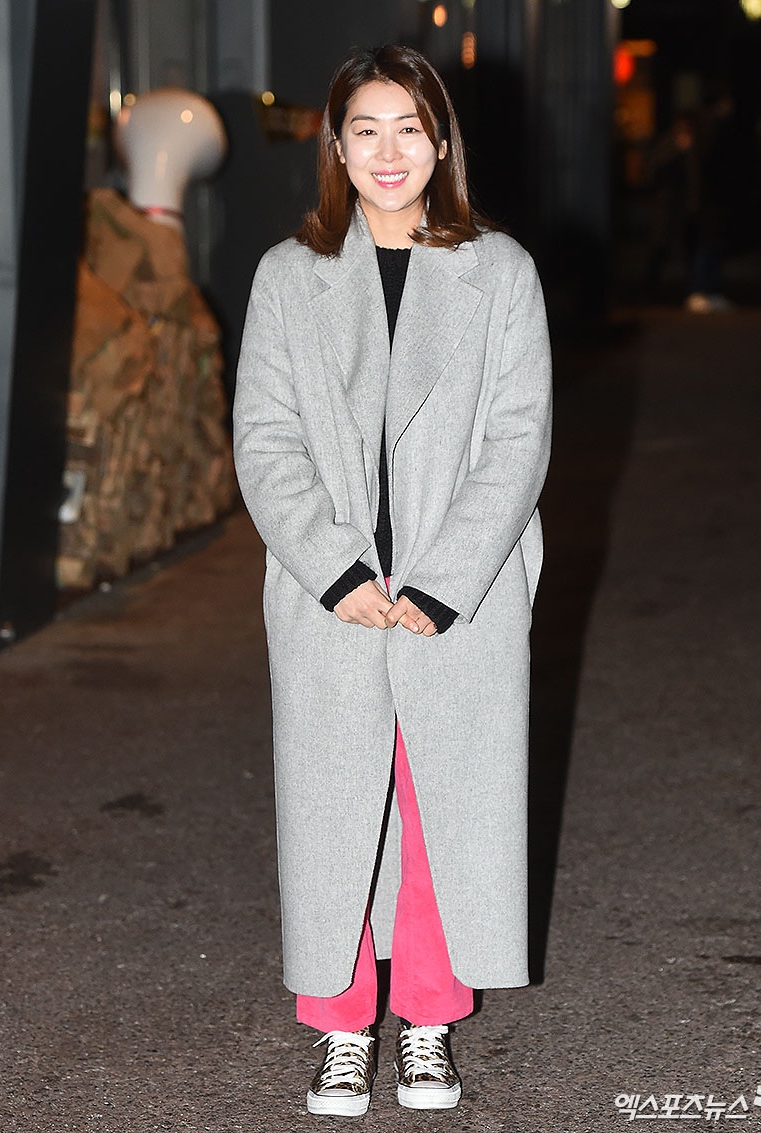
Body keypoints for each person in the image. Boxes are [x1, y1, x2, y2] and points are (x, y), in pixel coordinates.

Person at [232, 43, 552, 1117]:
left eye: (407, 127)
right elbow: (264, 440)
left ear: (440, 141)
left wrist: (444, 579)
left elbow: (517, 438)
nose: (386, 150)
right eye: (363, 128)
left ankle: (423, 1020)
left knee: (435, 808)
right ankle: (336, 1028)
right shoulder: (290, 274)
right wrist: (332, 570)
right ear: (334, 145)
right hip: (328, 596)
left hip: (455, 596)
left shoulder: (497, 270)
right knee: (334, 813)